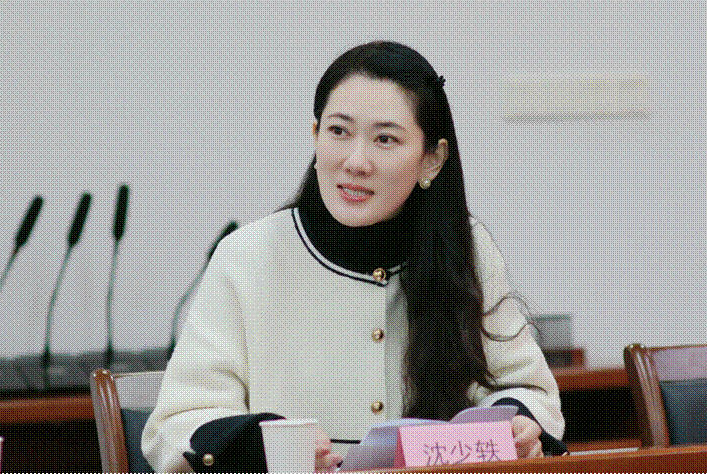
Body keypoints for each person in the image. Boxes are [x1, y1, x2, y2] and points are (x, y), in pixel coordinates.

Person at [142, 41, 566, 473]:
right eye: (339, 131)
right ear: (315, 136)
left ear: (432, 160)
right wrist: (267, 448)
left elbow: (529, 390)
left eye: (385, 139)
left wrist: (520, 428)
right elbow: (175, 426)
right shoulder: (247, 257)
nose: (355, 162)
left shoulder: (465, 248)